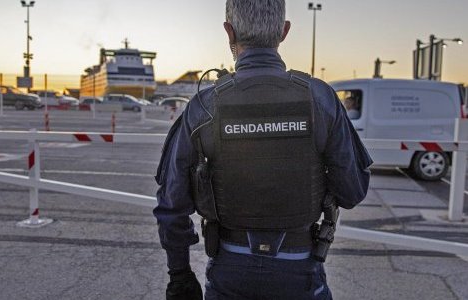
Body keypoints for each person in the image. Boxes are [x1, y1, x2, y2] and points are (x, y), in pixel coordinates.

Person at [153, 0, 373, 299]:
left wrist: (179, 274)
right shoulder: (321, 98)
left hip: (229, 270)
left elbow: (172, 204)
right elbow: (352, 191)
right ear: (284, 32)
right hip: (300, 269)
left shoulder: (203, 106)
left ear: (229, 32)